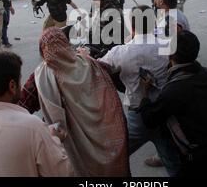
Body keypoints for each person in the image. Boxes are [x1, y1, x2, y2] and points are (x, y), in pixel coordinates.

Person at [18, 28, 129, 176]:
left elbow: (22, 105)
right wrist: (87, 58)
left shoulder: (42, 76)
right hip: (104, 138)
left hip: (71, 145)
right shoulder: (90, 64)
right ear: (66, 43)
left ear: (43, 49)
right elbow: (110, 70)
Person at [138, 30, 207, 177]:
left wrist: (145, 92)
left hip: (199, 161)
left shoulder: (175, 89)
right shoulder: (205, 75)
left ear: (171, 55)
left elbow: (149, 119)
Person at [99, 6, 181, 177]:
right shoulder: (167, 45)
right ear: (153, 24)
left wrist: (84, 54)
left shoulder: (121, 52)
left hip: (137, 115)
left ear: (132, 26)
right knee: (171, 160)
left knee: (117, 156)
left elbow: (97, 67)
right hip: (163, 111)